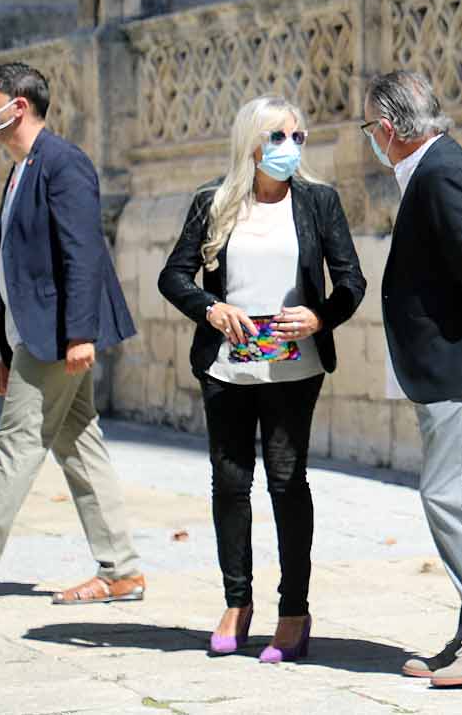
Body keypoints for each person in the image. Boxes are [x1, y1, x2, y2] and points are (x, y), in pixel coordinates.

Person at [158, 97, 366, 662]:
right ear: (251, 144)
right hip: (228, 363)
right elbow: (174, 275)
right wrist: (210, 307)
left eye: (298, 138)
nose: (290, 149)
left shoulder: (319, 202)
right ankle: (236, 602)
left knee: (286, 480)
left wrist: (320, 316)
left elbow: (351, 281)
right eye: (278, 137)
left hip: (294, 364)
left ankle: (294, 611)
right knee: (229, 481)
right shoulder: (214, 202)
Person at [0, 63, 143, 612]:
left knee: (17, 444)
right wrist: (7, 350)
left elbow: (83, 252)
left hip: (57, 335)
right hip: (34, 334)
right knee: (80, 442)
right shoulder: (22, 168)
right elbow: (16, 263)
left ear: (18, 107)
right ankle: (120, 570)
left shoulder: (63, 163)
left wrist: (79, 333)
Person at [362, 70, 462, 688]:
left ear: (386, 129)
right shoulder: (439, 169)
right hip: (457, 368)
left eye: (370, 129)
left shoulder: (442, 174)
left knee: (451, 500)